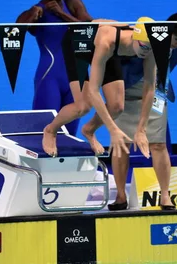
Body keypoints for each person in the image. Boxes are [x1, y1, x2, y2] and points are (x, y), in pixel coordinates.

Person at [79, 12, 177, 211]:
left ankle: (165, 195)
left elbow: (154, 81)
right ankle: (120, 196)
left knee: (159, 144)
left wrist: (142, 128)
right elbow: (113, 63)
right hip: (124, 90)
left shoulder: (175, 47)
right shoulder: (137, 36)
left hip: (153, 91)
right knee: (121, 145)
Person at [41, 17, 155, 159]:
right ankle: (50, 130)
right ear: (135, 37)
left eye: (151, 48)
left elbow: (150, 88)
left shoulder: (150, 48)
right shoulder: (107, 42)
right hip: (80, 42)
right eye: (144, 46)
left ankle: (89, 130)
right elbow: (94, 91)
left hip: (110, 51)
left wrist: (141, 130)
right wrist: (113, 129)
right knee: (83, 106)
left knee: (117, 106)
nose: (146, 52)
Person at [16, 0, 94, 136]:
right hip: (49, 78)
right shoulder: (37, 11)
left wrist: (61, 14)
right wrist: (32, 14)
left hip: (76, 80)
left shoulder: (72, 3)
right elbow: (15, 31)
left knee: (69, 136)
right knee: (43, 133)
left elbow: (89, 30)